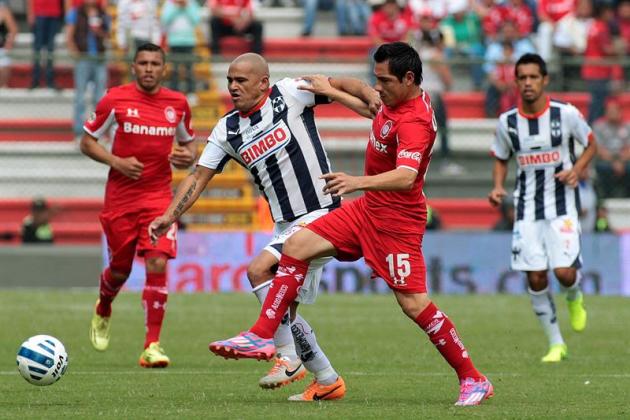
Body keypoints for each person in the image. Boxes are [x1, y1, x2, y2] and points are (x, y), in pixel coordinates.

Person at [202, 42, 494, 406]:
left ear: (408, 78)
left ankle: (473, 378)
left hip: (396, 222)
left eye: (384, 81)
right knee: (297, 245)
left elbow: (405, 176)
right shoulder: (395, 102)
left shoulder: (416, 120)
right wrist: (332, 92)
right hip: (368, 209)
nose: (378, 87)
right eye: (377, 79)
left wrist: (356, 182)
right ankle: (264, 334)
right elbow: (374, 112)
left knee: (414, 304)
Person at [149, 52, 379, 397]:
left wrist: (369, 93)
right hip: (286, 224)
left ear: (263, 82)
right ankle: (328, 380)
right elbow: (199, 176)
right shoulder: (227, 129)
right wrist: (169, 215)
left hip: (324, 213)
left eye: (241, 80)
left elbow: (342, 83)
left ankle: (286, 356)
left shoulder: (289, 93)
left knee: (258, 270)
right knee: (286, 310)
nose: (233, 87)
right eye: (229, 80)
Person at [80, 43, 196, 368]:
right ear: (133, 67)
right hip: (120, 200)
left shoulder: (178, 104)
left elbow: (190, 151)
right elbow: (86, 141)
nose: (148, 68)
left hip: (159, 198)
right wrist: (117, 161)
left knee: (157, 263)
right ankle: (104, 305)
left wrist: (188, 157)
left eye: (154, 63)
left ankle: (152, 346)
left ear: (164, 68)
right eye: (142, 63)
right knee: (120, 269)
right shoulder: (115, 99)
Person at [488, 53, 597, 363]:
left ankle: (574, 296)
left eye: (533, 77)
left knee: (563, 273)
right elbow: (500, 156)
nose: (528, 83)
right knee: (535, 277)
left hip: (562, 206)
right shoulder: (507, 122)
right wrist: (498, 186)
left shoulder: (566, 114)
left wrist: (577, 169)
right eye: (522, 78)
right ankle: (556, 344)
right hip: (526, 208)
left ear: (545, 80)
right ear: (516, 82)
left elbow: (592, 144)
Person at [66, 0, 110, 139]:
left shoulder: (103, 14)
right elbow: (69, 35)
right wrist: (75, 53)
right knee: (80, 97)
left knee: (99, 98)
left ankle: (97, 131)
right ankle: (79, 132)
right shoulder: (75, 13)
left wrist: (99, 31)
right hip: (83, 59)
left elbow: (108, 36)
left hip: (99, 59)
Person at [161, 0, 202, 94]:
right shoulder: (169, 3)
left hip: (189, 41)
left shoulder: (192, 3)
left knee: (189, 69)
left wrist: (186, 7)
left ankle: (191, 92)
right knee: (174, 70)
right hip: (174, 42)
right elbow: (165, 20)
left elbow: (196, 21)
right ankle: (174, 92)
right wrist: (177, 7)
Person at [593, 98, 630, 198]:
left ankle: (627, 197)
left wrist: (620, 161)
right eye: (610, 111)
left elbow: (629, 149)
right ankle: (605, 198)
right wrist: (614, 162)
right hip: (606, 160)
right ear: (605, 112)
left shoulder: (627, 126)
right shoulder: (599, 126)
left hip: (624, 160)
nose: (612, 113)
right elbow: (598, 149)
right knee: (602, 168)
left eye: (615, 111)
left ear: (620, 111)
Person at [27, 0, 63, 89]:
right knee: (37, 48)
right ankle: (36, 79)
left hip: (54, 13)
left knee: (51, 48)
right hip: (39, 13)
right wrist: (30, 13)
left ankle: (50, 80)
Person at [0, 1, 17, 88]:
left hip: (1, 49)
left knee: (3, 71)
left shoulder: (4, 12)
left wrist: (9, 44)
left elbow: (13, 29)